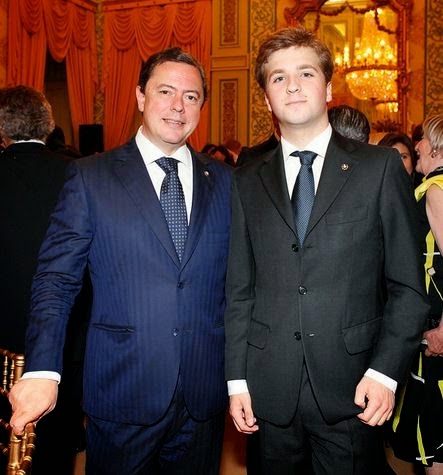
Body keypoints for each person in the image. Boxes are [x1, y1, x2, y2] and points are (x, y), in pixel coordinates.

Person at [9, 47, 232, 474]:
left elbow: (239, 286)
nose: (178, 105)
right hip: (122, 392)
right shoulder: (91, 177)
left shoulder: (224, 181)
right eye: (165, 91)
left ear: (202, 106)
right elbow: (56, 280)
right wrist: (43, 369)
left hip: (203, 396)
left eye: (191, 96)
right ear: (140, 96)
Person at [224, 27, 429, 474]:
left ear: (329, 88)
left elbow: (408, 289)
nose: (292, 86)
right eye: (278, 78)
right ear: (266, 98)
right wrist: (237, 380)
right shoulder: (245, 180)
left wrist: (384, 372)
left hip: (355, 389)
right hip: (268, 392)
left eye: (305, 73)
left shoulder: (378, 169)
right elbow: (239, 290)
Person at [0, 85, 89, 474]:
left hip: (3, 337)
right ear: (49, 125)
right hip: (66, 338)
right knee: (55, 449)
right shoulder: (79, 174)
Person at [390, 114, 443, 475]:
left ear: (436, 147)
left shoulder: (436, 190)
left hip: (437, 325)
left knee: (434, 434)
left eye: (422, 139)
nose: (418, 146)